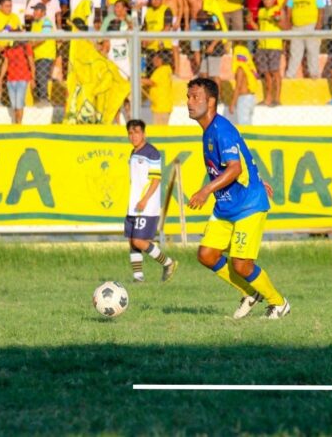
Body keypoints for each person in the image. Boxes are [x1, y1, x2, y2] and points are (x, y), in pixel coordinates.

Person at [185, 78, 289, 320]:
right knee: (207, 255)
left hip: (247, 206)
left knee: (242, 264)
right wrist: (256, 177)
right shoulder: (209, 130)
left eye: (195, 97)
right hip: (226, 205)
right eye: (188, 97)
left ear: (211, 101)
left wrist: (205, 191)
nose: (189, 102)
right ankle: (250, 293)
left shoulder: (221, 130)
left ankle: (279, 303)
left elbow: (235, 168)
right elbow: (243, 156)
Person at [124, 119, 177, 283]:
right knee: (132, 240)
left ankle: (168, 263)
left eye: (137, 132)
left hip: (146, 205)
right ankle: (138, 278)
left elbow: (155, 180)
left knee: (139, 241)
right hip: (134, 204)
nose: (133, 136)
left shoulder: (152, 153)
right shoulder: (133, 152)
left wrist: (145, 200)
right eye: (130, 133)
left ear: (144, 134)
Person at [285, 0, 321, 79]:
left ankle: (314, 74)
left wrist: (319, 22)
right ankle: (290, 75)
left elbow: (321, 8)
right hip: (296, 26)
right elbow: (289, 7)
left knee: (312, 50)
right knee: (295, 52)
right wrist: (288, 21)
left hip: (311, 25)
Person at [255, 0, 283, 106]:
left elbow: (285, 26)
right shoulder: (261, 11)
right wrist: (250, 21)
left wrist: (278, 20)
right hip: (262, 45)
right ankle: (268, 98)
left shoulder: (278, 10)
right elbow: (258, 28)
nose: (267, 0)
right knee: (266, 73)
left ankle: (277, 98)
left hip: (274, 45)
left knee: (274, 71)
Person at [1, 41, 33, 124]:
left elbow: (31, 63)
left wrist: (33, 79)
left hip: (22, 79)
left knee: (19, 104)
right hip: (10, 80)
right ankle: (16, 123)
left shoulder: (26, 46)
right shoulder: (8, 48)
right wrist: (0, 78)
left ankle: (19, 123)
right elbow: (5, 63)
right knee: (14, 106)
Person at [230, 41, 261, 125]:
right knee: (248, 124)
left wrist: (233, 103)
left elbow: (238, 87)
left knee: (243, 125)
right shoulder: (248, 68)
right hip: (251, 98)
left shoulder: (240, 69)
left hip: (244, 99)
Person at [140, 52, 173, 125]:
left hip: (161, 106)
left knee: (159, 128)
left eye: (156, 58)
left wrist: (136, 79)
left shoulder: (163, 70)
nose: (153, 60)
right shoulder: (165, 69)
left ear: (161, 60)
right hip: (160, 105)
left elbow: (152, 82)